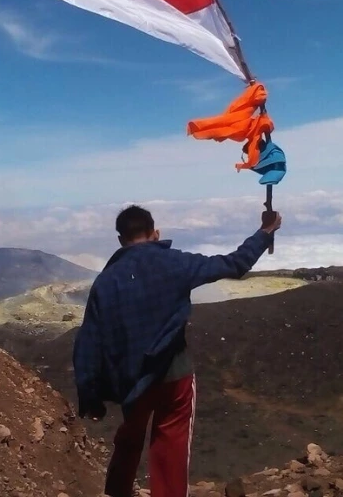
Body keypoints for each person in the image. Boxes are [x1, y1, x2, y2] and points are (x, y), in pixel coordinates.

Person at [72, 204, 281, 497]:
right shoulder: (175, 263)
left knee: (129, 440)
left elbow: (89, 343)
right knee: (170, 447)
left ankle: (116, 492)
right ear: (155, 233)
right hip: (175, 377)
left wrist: (91, 398)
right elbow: (234, 264)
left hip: (132, 382)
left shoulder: (105, 282)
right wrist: (266, 231)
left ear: (121, 240)